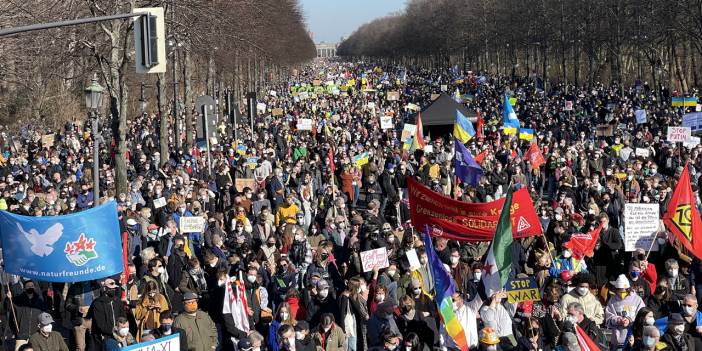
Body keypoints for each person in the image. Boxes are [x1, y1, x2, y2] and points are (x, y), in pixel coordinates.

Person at [606, 275, 645, 350]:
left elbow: (642, 315)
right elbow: (608, 318)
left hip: (634, 339)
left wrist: (629, 320)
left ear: (628, 289)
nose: (621, 294)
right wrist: (618, 320)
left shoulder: (637, 300)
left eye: (623, 291)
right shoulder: (612, 300)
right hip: (618, 341)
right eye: (619, 291)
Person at [88, 278, 127, 351]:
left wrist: (122, 328)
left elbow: (123, 316)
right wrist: (114, 332)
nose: (114, 290)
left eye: (114, 288)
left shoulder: (117, 301)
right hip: (104, 337)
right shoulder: (98, 303)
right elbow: (100, 324)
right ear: (105, 288)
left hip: (119, 334)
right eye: (111, 288)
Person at [8, 280, 48, 351]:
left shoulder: (40, 302)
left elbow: (44, 318)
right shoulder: (17, 301)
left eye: (32, 286)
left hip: (36, 336)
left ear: (35, 288)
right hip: (21, 336)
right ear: (24, 288)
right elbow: (11, 317)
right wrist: (8, 299)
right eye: (28, 286)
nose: (30, 287)